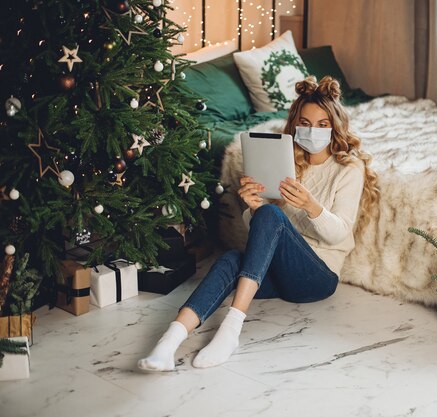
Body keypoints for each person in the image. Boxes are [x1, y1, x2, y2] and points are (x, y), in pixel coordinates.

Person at [137, 76, 379, 371]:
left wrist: (310, 205)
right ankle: (168, 342)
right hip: (279, 272)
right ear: (294, 125)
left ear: (334, 127)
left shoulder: (348, 169)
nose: (311, 131)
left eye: (322, 124)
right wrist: (254, 208)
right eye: (304, 123)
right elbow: (266, 234)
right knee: (231, 258)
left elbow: (339, 234)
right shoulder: (287, 162)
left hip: (317, 277)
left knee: (272, 215)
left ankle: (231, 329)